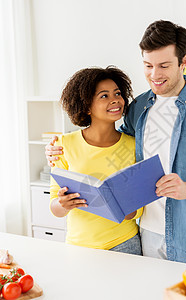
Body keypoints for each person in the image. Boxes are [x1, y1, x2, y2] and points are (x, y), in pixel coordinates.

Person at [46, 20, 186, 263]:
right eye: (148, 65)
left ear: (185, 62)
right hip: (145, 233)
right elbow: (113, 144)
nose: (154, 75)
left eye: (164, 65)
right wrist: (56, 150)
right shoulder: (138, 107)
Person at [49, 66, 142, 255]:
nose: (115, 99)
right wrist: (63, 204)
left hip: (125, 243)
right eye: (104, 96)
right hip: (78, 245)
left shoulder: (134, 145)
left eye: (117, 93)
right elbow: (54, 206)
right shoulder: (63, 144)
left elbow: (139, 206)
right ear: (86, 106)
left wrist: (128, 209)